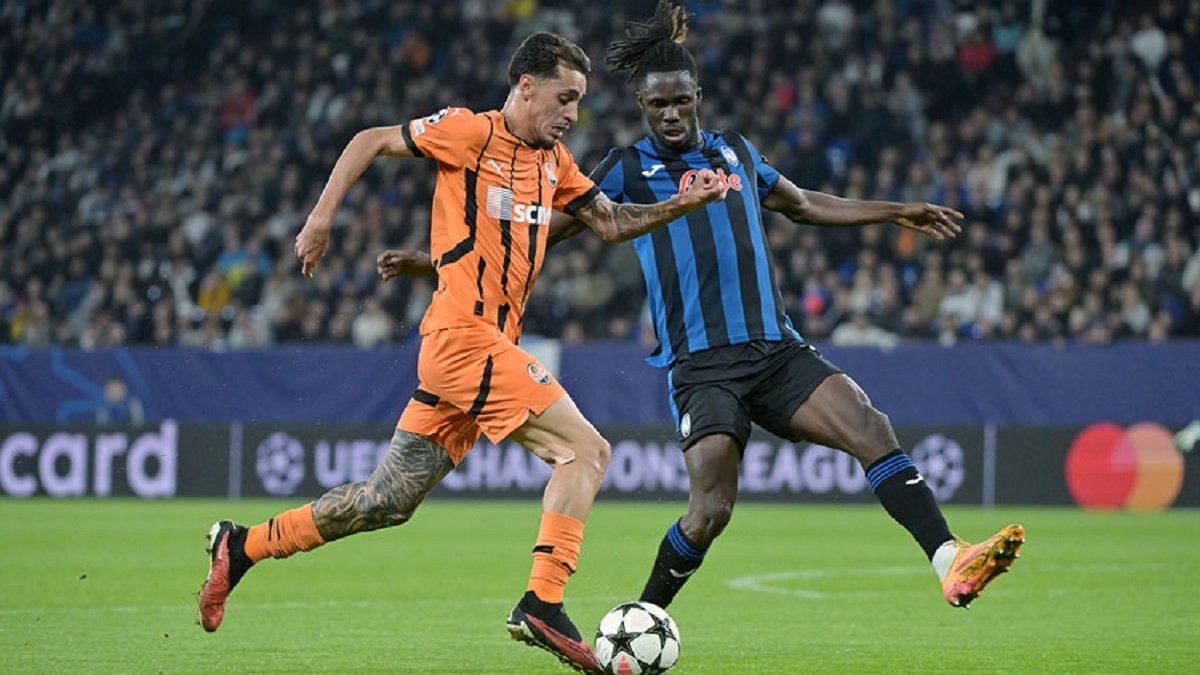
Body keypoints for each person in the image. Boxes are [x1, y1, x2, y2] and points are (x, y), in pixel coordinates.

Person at [379, 1, 1024, 616]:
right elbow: (538, 229)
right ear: (642, 106)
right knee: (711, 509)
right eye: (657, 104)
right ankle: (641, 617)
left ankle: (948, 557)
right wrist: (438, 261)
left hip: (776, 350)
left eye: (680, 101)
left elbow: (803, 203)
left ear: (697, 98)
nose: (670, 114)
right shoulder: (624, 168)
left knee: (870, 427)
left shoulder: (736, 151)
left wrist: (897, 210)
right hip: (703, 367)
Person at [197, 31, 727, 674]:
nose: (572, 113)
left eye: (579, 101)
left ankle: (243, 546)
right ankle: (543, 600)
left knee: (386, 501)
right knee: (585, 451)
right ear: (525, 85)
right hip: (461, 339)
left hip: (482, 348)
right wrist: (321, 218)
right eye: (564, 97)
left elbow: (611, 221)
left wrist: (682, 202)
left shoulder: (555, 163)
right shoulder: (469, 133)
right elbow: (369, 140)